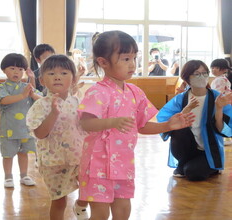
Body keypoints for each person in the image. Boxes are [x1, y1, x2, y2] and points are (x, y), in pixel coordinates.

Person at [77, 30, 194, 220]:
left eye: (134, 57)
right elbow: (86, 123)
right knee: (100, 213)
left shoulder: (135, 92)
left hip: (123, 163)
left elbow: (141, 126)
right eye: (125, 59)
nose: (132, 64)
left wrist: (168, 126)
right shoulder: (97, 92)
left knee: (123, 210)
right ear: (103, 62)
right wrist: (112, 122)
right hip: (97, 165)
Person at [26, 54, 89, 220]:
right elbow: (40, 134)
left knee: (89, 190)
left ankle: (80, 206)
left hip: (79, 158)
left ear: (74, 79)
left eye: (64, 73)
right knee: (59, 202)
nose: (57, 77)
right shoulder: (40, 105)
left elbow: (87, 128)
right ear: (41, 80)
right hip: (53, 162)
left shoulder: (78, 102)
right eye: (51, 73)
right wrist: (53, 113)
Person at [157, 60, 232, 181]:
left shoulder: (217, 97)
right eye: (197, 74)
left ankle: (209, 166)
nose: (202, 77)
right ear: (187, 79)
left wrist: (219, 108)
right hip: (187, 149)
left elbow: (221, 128)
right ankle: (184, 163)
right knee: (177, 127)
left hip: (207, 150)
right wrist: (185, 111)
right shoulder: (181, 99)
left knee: (193, 173)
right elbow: (165, 121)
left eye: (204, 73)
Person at [0, 53, 42, 188]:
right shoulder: (1, 87)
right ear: (4, 70)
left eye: (20, 69)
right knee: (8, 154)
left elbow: (38, 98)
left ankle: (24, 175)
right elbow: (3, 100)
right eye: (12, 68)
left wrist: (32, 81)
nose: (17, 72)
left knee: (24, 153)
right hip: (9, 128)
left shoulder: (26, 86)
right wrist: (22, 95)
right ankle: (8, 177)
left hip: (25, 127)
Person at [210, 58, 232, 145]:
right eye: (212, 68)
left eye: (215, 68)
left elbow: (217, 94)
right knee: (223, 121)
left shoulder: (220, 80)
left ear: (224, 69)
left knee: (220, 121)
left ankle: (223, 138)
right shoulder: (223, 79)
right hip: (225, 104)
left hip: (222, 105)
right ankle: (225, 138)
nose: (213, 70)